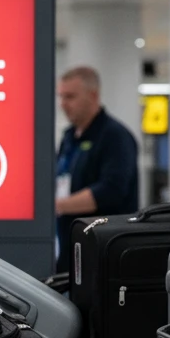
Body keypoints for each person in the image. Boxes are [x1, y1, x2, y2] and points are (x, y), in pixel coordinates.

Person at [54, 65, 139, 271]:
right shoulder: (69, 137)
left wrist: (58, 206)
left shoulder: (115, 136)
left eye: (70, 97)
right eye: (61, 97)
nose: (63, 104)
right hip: (69, 244)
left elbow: (110, 191)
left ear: (93, 96)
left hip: (103, 248)